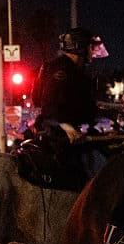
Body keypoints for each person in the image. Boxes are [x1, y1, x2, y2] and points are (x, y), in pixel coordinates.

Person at [31, 27, 109, 178]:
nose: (92, 52)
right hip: (58, 137)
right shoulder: (61, 70)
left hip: (70, 134)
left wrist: (105, 113)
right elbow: (48, 105)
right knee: (102, 171)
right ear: (79, 47)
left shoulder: (76, 71)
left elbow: (81, 106)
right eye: (89, 47)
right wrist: (68, 128)